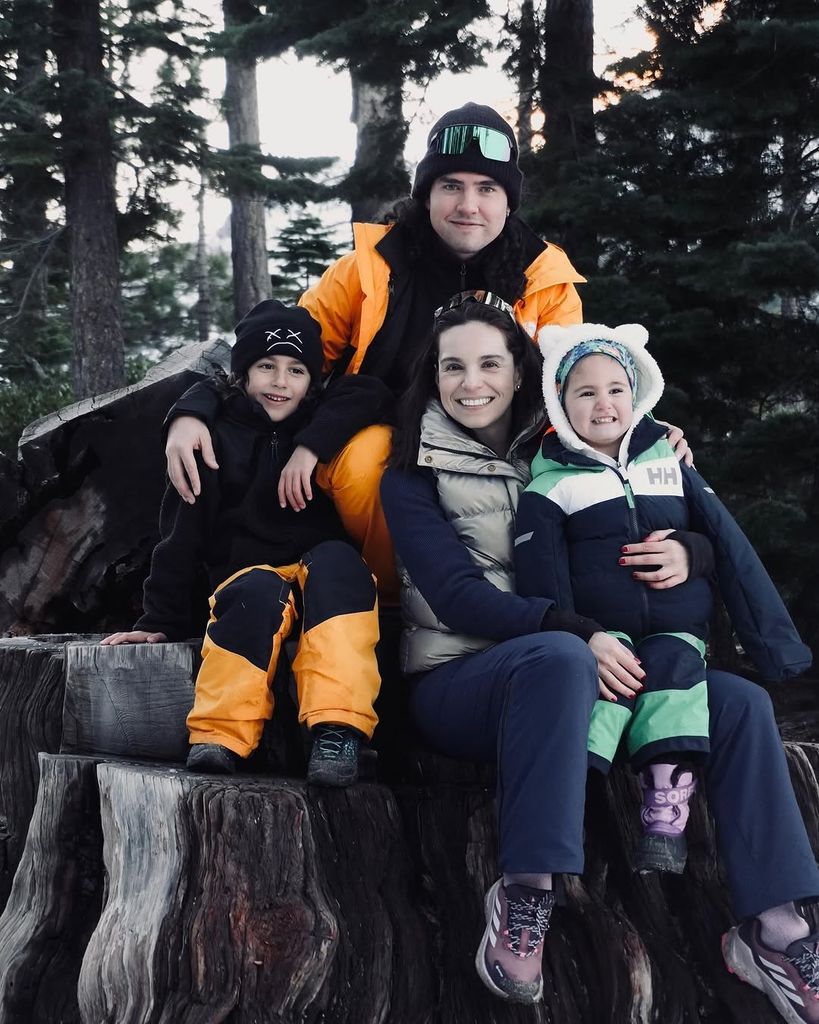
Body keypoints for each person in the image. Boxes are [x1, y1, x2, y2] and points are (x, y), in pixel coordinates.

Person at [379, 293, 819, 1021]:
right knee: (555, 657)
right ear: (431, 378)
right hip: (461, 681)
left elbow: (659, 514)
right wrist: (577, 632)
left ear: (521, 375)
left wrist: (691, 548)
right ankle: (524, 891)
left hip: (595, 670)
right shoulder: (411, 472)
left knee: (737, 703)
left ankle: (774, 929)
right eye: (451, 367)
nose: (470, 382)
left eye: (489, 363)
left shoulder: (576, 435)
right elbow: (456, 597)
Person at [162, 103, 686, 598]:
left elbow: (580, 383)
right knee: (367, 460)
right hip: (390, 441)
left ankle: (530, 603)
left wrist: (641, 429)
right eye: (451, 185)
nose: (468, 205)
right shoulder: (370, 270)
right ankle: (386, 607)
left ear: (509, 200)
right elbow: (279, 350)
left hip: (506, 454)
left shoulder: (545, 281)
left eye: (486, 189)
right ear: (426, 193)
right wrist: (196, 406)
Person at [513, 322, 812, 877]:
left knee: (678, 678)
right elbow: (543, 581)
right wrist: (576, 634)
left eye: (616, 389)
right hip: (606, 634)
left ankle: (665, 814)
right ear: (558, 403)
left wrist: (775, 648)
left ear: (637, 392)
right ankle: (568, 811)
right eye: (585, 392)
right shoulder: (550, 485)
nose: (604, 404)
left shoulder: (671, 464)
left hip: (676, 630)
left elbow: (728, 544)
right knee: (600, 697)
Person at [102, 300, 390, 786]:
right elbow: (180, 534)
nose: (281, 382)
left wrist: (311, 446)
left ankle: (337, 729)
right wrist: (159, 620)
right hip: (249, 573)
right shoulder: (213, 438)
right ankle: (220, 733)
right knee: (250, 595)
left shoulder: (321, 419)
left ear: (313, 379)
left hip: (319, 571)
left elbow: (373, 392)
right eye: (266, 366)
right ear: (242, 374)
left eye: (296, 370)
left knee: (345, 568)